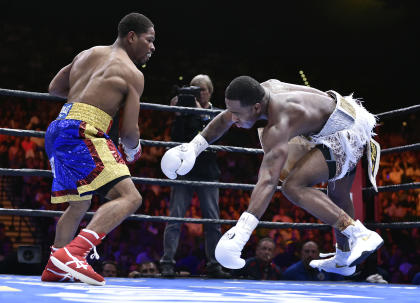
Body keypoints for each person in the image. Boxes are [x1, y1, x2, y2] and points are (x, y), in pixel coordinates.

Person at [161, 75, 384, 277]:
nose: (233, 119)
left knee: (293, 186)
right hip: (344, 113)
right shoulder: (262, 90)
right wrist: (194, 147)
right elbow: (225, 118)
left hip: (344, 131)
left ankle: (358, 233)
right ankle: (345, 259)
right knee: (338, 195)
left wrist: (242, 231)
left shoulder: (279, 124)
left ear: (257, 107)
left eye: (237, 114)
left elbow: (268, 180)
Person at [40, 12, 155, 285]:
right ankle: (75, 254)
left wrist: (86, 92)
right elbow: (128, 132)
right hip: (83, 130)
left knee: (79, 204)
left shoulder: (87, 53)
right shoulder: (133, 74)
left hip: (58, 127)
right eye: (149, 40)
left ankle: (55, 266)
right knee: (130, 198)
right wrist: (134, 149)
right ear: (131, 36)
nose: (152, 47)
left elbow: (55, 87)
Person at [159, 75, 229, 279]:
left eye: (202, 90)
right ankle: (167, 263)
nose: (198, 93)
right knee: (175, 218)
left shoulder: (216, 114)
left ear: (210, 92)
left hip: (208, 173)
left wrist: (197, 112)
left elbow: (212, 139)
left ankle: (214, 265)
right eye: (194, 89)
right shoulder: (185, 110)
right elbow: (176, 138)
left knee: (212, 221)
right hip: (184, 172)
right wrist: (180, 114)